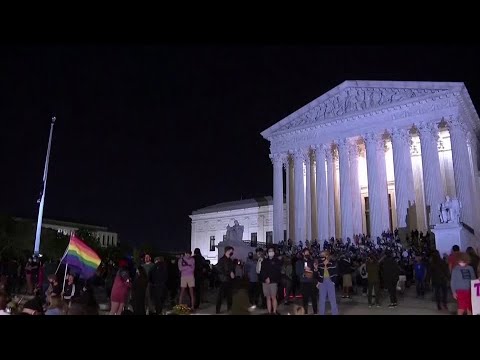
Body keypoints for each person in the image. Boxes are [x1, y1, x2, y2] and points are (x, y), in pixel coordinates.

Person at [259, 246, 282, 315]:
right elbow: (262, 271)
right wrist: (266, 278)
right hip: (265, 282)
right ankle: (269, 312)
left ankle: (274, 311)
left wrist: (270, 278)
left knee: (273, 297)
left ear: (274, 252)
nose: (270, 252)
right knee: (267, 297)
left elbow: (277, 272)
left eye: (272, 251)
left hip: (273, 282)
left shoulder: (277, 261)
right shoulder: (264, 261)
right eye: (269, 251)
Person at [295, 248, 317, 314]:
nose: (307, 254)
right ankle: (305, 312)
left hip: (312, 282)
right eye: (306, 252)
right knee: (305, 298)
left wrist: (315, 269)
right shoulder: (299, 262)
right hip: (304, 282)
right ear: (303, 253)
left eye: (308, 252)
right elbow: (297, 272)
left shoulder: (312, 261)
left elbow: (315, 272)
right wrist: (304, 272)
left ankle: (315, 312)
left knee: (314, 297)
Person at [316, 251, 338, 315]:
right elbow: (318, 274)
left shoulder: (332, 263)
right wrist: (318, 282)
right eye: (321, 255)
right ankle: (321, 313)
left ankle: (335, 313)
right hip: (322, 282)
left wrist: (333, 282)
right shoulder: (320, 264)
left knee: (332, 299)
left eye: (323, 255)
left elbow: (335, 273)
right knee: (321, 300)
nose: (321, 257)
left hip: (330, 281)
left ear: (327, 256)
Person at [215, 246, 235, 314]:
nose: (232, 252)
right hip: (223, 280)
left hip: (229, 280)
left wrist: (232, 273)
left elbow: (232, 269)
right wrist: (229, 273)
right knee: (220, 296)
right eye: (231, 251)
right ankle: (217, 310)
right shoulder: (222, 260)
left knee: (229, 295)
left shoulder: (230, 260)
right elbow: (219, 269)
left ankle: (230, 308)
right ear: (227, 251)